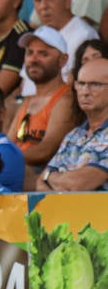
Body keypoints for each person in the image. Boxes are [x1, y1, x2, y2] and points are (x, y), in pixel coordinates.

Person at [7, 27, 79, 186]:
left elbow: (46, 151)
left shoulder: (66, 99)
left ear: (63, 60)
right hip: (19, 169)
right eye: (29, 53)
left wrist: (3, 159)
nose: (34, 59)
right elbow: (8, 145)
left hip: (45, 176)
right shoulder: (28, 102)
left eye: (43, 54)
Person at [37, 55, 108, 192]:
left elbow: (77, 185)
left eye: (95, 85)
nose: (85, 92)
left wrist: (50, 176)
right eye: (81, 84)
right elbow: (40, 184)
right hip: (67, 211)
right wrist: (51, 177)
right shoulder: (73, 135)